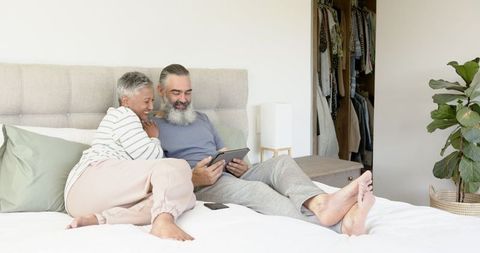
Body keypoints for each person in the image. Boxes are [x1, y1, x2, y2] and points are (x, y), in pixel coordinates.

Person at [153, 64, 375, 235]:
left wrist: (239, 165)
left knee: (282, 163)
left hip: (227, 171)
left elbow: (224, 149)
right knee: (258, 190)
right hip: (202, 185)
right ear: (161, 91)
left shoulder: (202, 118)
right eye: (176, 93)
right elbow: (159, 177)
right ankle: (342, 225)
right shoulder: (154, 129)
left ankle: (320, 203)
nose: (183, 99)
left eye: (188, 92)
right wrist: (193, 179)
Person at [64, 71, 196, 241]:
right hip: (90, 179)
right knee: (179, 167)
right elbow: (152, 158)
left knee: (185, 197)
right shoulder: (123, 115)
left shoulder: (129, 123)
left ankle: (101, 219)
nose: (150, 107)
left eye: (152, 101)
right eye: (146, 101)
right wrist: (154, 138)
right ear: (126, 101)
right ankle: (163, 220)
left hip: (85, 202)